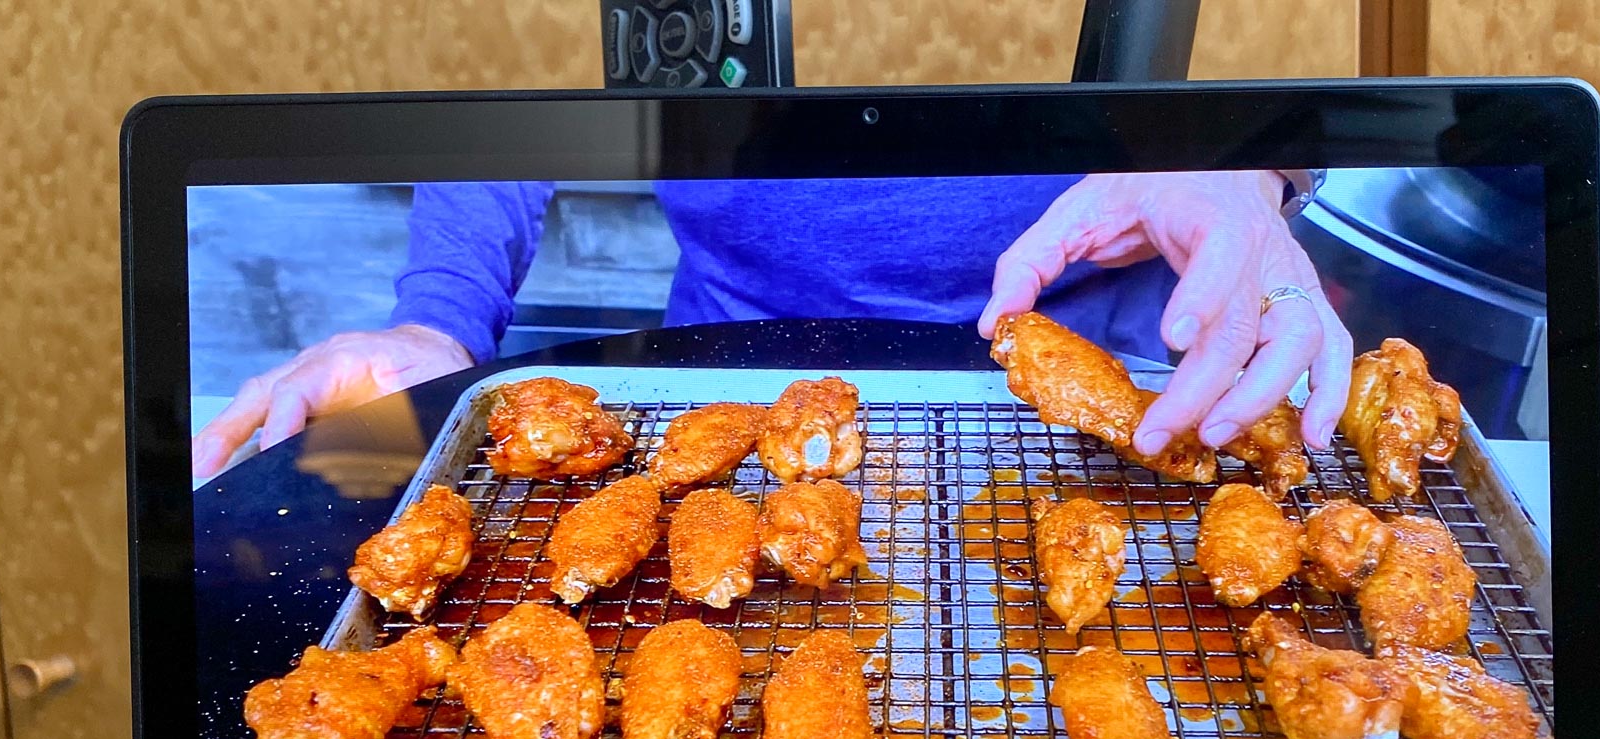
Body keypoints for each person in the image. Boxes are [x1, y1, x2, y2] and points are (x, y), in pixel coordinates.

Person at [191, 171, 1352, 478]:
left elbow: (1294, 68)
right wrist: (439, 323)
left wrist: (1249, 163)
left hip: (1119, 390)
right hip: (725, 380)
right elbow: (513, 78)